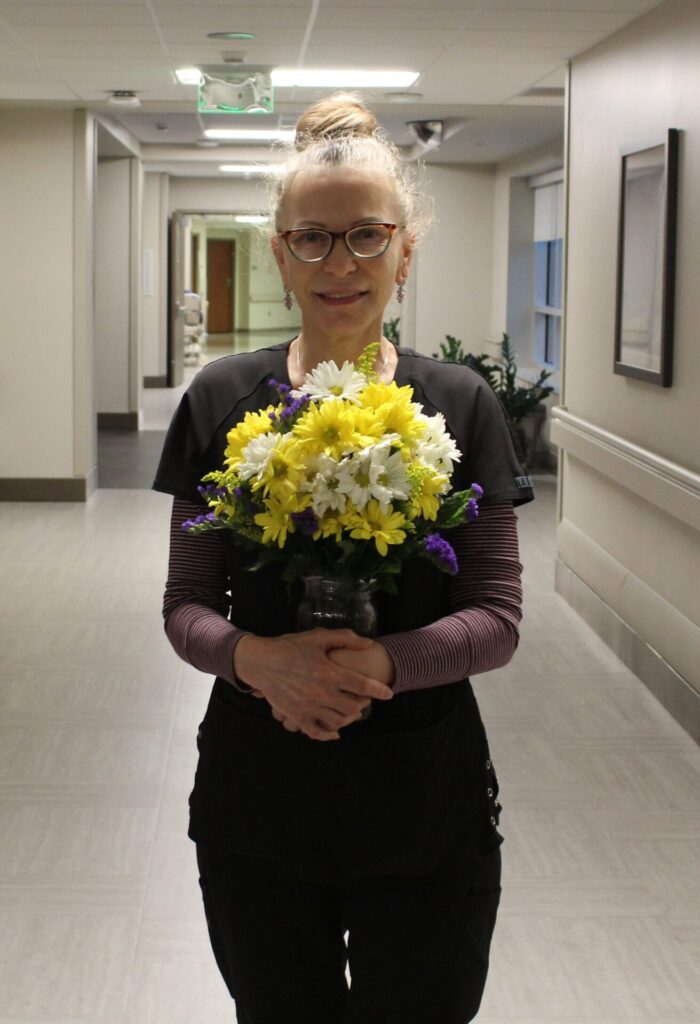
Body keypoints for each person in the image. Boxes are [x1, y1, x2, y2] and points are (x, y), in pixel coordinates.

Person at [153, 93, 533, 1024]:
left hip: (423, 797)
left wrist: (391, 664)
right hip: (259, 794)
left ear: (406, 251)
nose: (342, 263)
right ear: (280, 252)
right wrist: (258, 660)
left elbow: (497, 613)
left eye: (367, 236)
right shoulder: (220, 397)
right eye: (313, 239)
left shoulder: (463, 403)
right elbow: (186, 607)